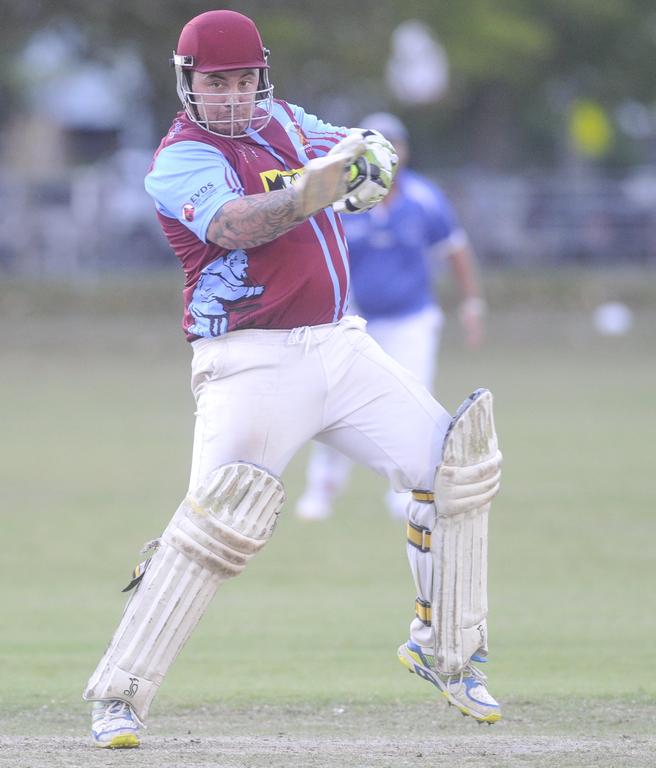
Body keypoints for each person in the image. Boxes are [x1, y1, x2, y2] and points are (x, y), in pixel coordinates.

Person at [82, 10, 501, 749]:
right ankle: (118, 694)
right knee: (214, 529)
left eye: (245, 80)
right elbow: (237, 224)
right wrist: (325, 185)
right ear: (188, 85)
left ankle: (449, 651)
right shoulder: (179, 158)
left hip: (341, 346)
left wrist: (370, 158)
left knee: (455, 467)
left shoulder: (283, 118)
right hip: (248, 360)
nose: (236, 98)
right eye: (218, 84)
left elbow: (351, 150)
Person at [295, 112, 486, 522]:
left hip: (411, 319)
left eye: (396, 144)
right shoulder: (345, 200)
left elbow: (454, 249)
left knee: (413, 400)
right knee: (333, 402)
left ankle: (410, 491)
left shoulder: (424, 198)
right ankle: (322, 489)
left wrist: (471, 303)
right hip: (354, 318)